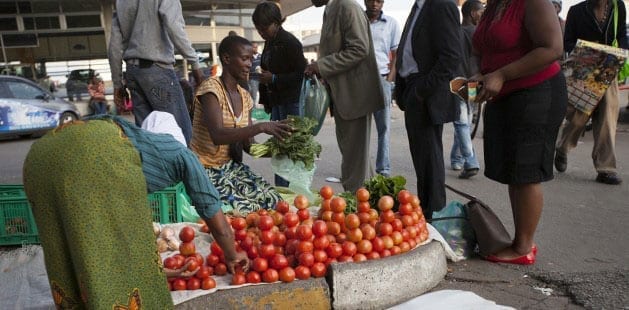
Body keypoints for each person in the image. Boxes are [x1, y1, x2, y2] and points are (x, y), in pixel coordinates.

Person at [23, 115, 249, 309]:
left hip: (38, 159)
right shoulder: (179, 153)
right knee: (120, 256)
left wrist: (164, 273)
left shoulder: (123, 133)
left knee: (66, 247)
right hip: (87, 157)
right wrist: (232, 254)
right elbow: (211, 211)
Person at [472, 0, 566, 264]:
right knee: (515, 170)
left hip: (537, 93)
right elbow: (490, 48)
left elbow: (552, 48)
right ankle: (520, 240)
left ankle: (523, 247)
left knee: (526, 170)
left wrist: (501, 74)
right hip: (507, 96)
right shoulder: (495, 5)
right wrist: (482, 74)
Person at [190, 35, 292, 215]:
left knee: (273, 201)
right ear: (227, 59)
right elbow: (217, 135)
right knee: (246, 210)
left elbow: (249, 147)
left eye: (251, 59)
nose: (249, 64)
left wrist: (281, 151)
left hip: (230, 169)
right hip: (205, 169)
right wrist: (261, 126)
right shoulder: (211, 89)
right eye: (244, 59)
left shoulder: (245, 97)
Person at [305, 0, 384, 192]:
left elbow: (359, 49)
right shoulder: (331, 9)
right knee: (355, 161)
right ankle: (365, 208)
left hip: (355, 97)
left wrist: (321, 66)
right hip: (343, 98)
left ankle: (358, 208)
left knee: (355, 164)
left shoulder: (348, 7)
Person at [395, 0, 462, 220]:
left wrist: (421, 91)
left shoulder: (441, 5)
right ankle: (427, 212)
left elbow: (451, 58)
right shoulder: (419, 6)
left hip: (425, 92)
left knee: (430, 159)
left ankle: (435, 216)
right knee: (422, 158)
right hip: (413, 88)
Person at [108, 0, 204, 145]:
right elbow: (174, 27)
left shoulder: (121, 2)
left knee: (147, 139)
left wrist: (117, 84)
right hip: (158, 70)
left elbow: (114, 45)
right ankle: (186, 167)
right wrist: (196, 67)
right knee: (181, 136)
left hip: (134, 74)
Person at [555, 0, 628, 185]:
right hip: (584, 71)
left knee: (607, 118)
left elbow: (622, 37)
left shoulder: (617, 7)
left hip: (608, 69)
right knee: (579, 117)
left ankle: (606, 168)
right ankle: (563, 147)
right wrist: (588, 50)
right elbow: (568, 42)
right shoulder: (576, 11)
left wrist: (621, 54)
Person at [253, 1, 308, 187]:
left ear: (276, 22)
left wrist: (275, 79)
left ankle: (291, 190)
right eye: (258, 28)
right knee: (279, 148)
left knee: (289, 148)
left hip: (290, 103)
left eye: (264, 27)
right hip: (276, 103)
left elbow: (300, 75)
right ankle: (281, 189)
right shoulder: (269, 43)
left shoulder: (290, 43)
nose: (261, 32)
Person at [365, 0, 401, 178]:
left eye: (378, 0)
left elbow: (396, 54)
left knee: (384, 127)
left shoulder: (391, 24)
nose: (374, 4)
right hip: (361, 80)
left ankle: (383, 168)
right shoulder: (358, 21)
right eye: (370, 0)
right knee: (360, 128)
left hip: (382, 79)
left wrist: (390, 79)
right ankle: (361, 167)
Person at [450, 0, 483, 179]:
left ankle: (457, 157)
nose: (483, 15)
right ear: (472, 13)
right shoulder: (478, 33)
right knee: (463, 121)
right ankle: (470, 161)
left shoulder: (456, 32)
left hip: (463, 84)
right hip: (466, 84)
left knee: (464, 121)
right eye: (481, 11)